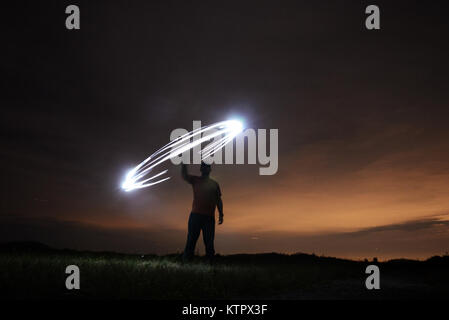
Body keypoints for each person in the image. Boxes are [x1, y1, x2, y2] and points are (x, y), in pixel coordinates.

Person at [182, 162, 223, 261]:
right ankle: (187, 262)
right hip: (196, 215)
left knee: (209, 243)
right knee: (191, 241)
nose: (205, 169)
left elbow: (218, 200)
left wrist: (221, 214)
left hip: (208, 218)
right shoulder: (196, 180)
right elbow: (185, 176)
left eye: (207, 167)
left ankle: (210, 264)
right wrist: (183, 164)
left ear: (210, 170)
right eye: (204, 167)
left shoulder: (214, 184)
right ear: (201, 169)